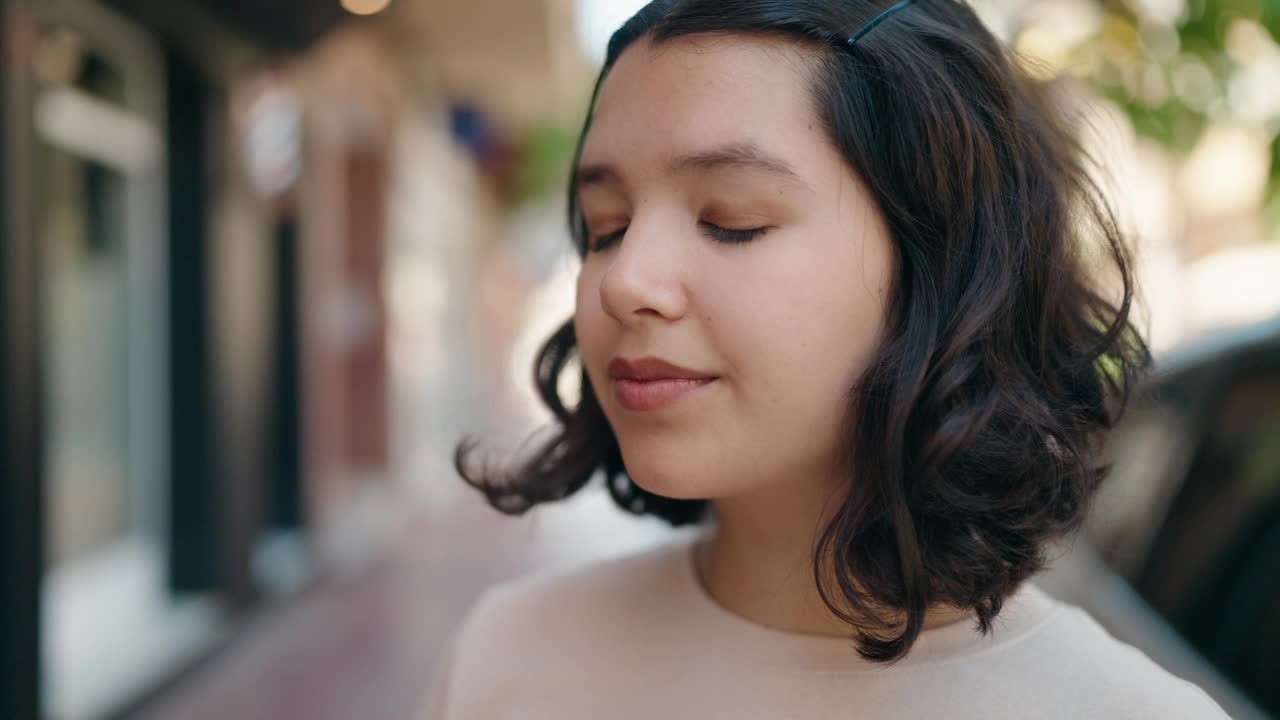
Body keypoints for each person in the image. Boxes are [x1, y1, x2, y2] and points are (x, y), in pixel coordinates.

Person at [423, 1, 1230, 717]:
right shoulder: (504, 659)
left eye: (730, 220)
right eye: (605, 227)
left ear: (946, 270)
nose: (623, 281)